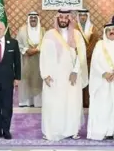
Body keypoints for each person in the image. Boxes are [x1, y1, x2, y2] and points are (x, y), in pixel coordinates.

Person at [40, 9, 88, 140]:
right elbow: (43, 56)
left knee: (72, 103)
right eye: (60, 17)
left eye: (65, 18)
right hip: (54, 77)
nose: (63, 20)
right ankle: (54, 130)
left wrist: (75, 71)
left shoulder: (77, 35)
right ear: (57, 18)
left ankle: (71, 130)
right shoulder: (49, 34)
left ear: (69, 19)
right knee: (54, 103)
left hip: (71, 76)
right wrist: (45, 75)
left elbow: (81, 55)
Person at [16, 11, 44, 107]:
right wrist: (26, 50)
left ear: (38, 19)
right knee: (26, 80)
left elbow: (46, 43)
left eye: (35, 17)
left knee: (38, 80)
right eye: (31, 17)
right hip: (26, 59)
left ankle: (38, 102)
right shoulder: (22, 30)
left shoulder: (43, 30)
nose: (33, 19)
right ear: (28, 19)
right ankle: (26, 102)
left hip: (39, 60)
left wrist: (37, 50)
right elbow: (18, 44)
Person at [77, 9, 99, 108]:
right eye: (81, 15)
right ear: (78, 16)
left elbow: (94, 41)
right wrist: (80, 55)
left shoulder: (92, 28)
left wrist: (86, 54)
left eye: (84, 15)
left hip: (89, 59)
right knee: (79, 79)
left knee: (89, 79)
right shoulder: (74, 28)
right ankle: (79, 102)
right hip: (77, 59)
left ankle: (87, 102)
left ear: (87, 16)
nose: (82, 17)